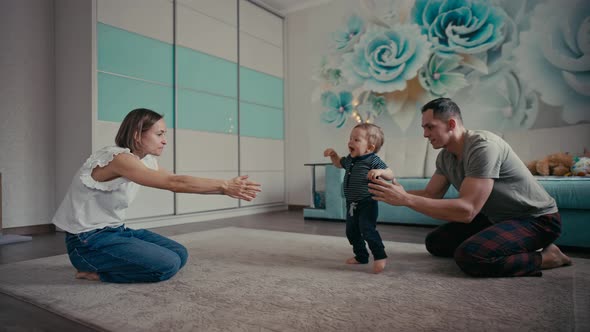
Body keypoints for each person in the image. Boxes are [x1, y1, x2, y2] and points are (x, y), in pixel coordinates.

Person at [368, 97, 572, 277]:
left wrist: (405, 199)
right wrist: (390, 193)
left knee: (470, 256)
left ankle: (548, 257)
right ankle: (504, 242)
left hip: (536, 220)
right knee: (436, 243)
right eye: (423, 128)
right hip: (497, 218)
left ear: (451, 124)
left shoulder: (483, 146)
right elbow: (431, 194)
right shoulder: (445, 156)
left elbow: (467, 210)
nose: (425, 134)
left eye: (430, 127)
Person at [52, 108, 261, 283]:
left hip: (116, 231)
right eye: (159, 134)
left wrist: (226, 190)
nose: (164, 141)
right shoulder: (118, 158)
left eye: (164, 134)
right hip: (87, 241)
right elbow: (174, 184)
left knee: (179, 254)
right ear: (137, 134)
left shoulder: (145, 160)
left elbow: (176, 179)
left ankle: (109, 259)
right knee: (165, 266)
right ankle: (91, 269)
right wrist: (224, 185)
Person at [324, 123, 395, 274]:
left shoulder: (372, 160)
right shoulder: (349, 159)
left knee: (367, 229)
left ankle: (380, 255)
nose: (350, 142)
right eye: (350, 138)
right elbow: (338, 163)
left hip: (367, 202)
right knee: (351, 231)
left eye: (356, 140)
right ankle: (361, 256)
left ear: (369, 148)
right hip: (351, 203)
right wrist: (333, 155)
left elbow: (390, 173)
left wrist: (380, 172)